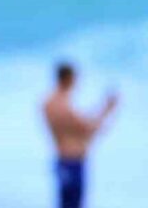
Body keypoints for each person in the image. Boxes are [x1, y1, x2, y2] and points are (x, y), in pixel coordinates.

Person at [42, 62, 119, 208]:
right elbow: (87, 129)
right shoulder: (62, 105)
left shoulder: (48, 103)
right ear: (68, 78)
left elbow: (77, 129)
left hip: (62, 160)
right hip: (73, 162)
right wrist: (107, 109)